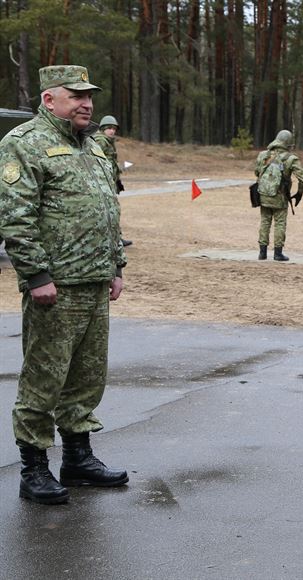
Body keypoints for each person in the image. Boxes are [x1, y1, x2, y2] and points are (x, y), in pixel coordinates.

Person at [0, 65, 129, 505]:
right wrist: (36, 275)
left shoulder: (93, 144)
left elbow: (106, 208)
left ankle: (78, 457)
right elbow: (16, 217)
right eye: (75, 96)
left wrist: (116, 265)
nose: (86, 103)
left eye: (89, 95)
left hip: (94, 282)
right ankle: (34, 467)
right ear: (49, 99)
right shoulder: (24, 144)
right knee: (44, 378)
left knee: (87, 377)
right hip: (55, 287)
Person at [254, 129, 303, 261]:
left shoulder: (263, 155)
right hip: (280, 196)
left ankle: (262, 252)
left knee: (265, 221)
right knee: (280, 223)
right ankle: (278, 253)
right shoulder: (290, 159)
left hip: (264, 194)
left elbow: (257, 172)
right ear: (288, 143)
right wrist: (299, 193)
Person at [93, 115, 132, 247]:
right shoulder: (100, 141)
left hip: (109, 181)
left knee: (112, 210)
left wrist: (117, 180)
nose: (112, 131)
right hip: (102, 182)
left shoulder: (107, 141)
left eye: (114, 128)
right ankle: (113, 239)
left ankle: (116, 238)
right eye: (109, 128)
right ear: (103, 128)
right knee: (109, 211)